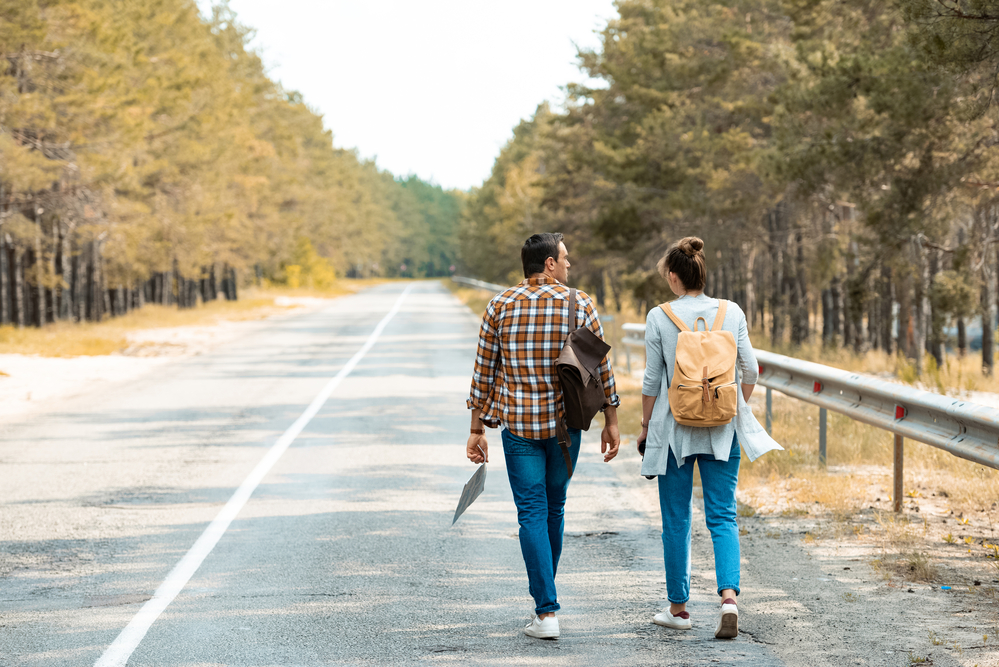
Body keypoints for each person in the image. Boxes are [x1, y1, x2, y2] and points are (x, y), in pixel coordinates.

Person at [466, 232, 621, 640]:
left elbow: (483, 373)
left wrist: (476, 428)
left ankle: (545, 610)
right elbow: (600, 368)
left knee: (531, 512)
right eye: (565, 258)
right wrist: (612, 419)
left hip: (518, 428)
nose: (569, 265)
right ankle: (545, 602)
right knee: (554, 509)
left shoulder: (499, 305)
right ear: (549, 263)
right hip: (565, 429)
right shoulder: (579, 302)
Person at [638, 236, 758, 639]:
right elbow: (752, 370)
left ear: (674, 277)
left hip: (675, 432)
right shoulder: (732, 312)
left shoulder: (660, 317)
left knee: (676, 520)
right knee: (723, 515)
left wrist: (644, 427)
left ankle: (679, 609)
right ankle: (728, 599)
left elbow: (652, 381)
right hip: (723, 430)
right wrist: (729, 407)